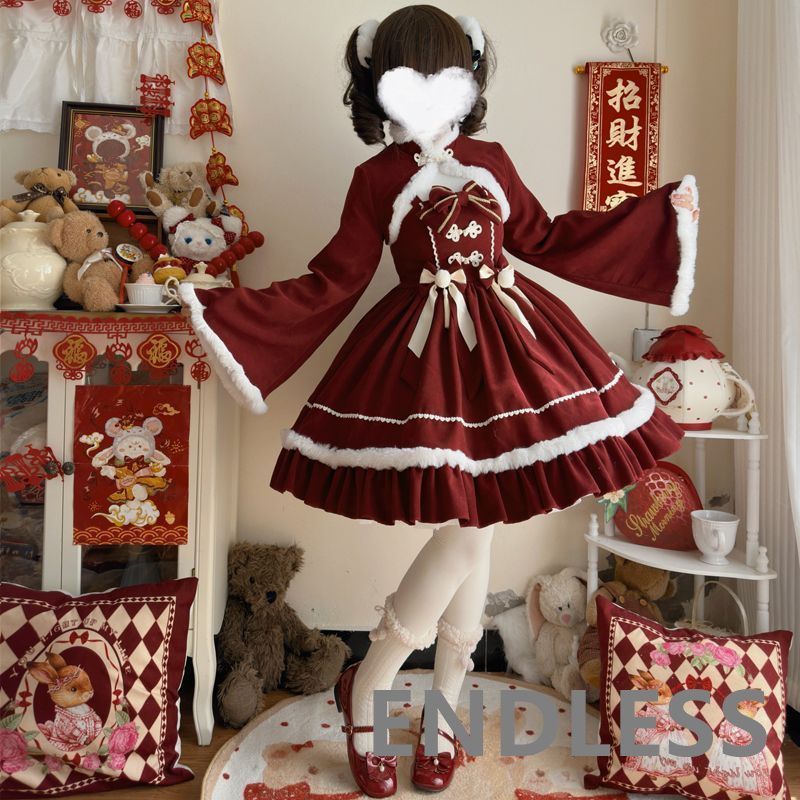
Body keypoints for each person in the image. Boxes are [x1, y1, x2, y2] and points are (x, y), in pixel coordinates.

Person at [179, 6, 699, 796]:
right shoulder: (376, 178)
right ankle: (376, 689)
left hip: (512, 352)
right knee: (467, 531)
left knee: (475, 527)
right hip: (422, 364)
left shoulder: (491, 160)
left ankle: (421, 706)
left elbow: (548, 237)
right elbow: (335, 280)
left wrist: (658, 221)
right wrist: (228, 313)